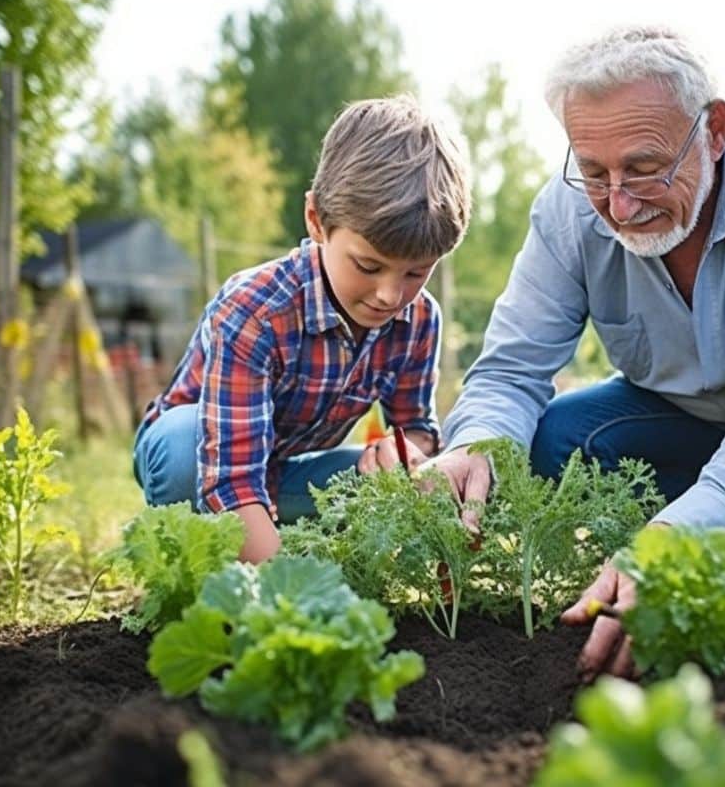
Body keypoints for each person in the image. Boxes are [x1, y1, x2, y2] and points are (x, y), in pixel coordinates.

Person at [429, 26, 725, 678]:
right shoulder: (569, 212)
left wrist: (677, 537)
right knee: (558, 441)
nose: (620, 205)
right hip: (681, 414)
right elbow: (512, 369)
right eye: (595, 172)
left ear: (714, 129)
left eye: (644, 167)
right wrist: (477, 443)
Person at [133, 96, 471, 563]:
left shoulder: (418, 320)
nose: (390, 296)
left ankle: (292, 552)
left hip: (286, 469)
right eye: (368, 266)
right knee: (181, 448)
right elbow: (230, 477)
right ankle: (213, 562)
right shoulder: (256, 311)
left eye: (416, 273)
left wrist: (402, 456)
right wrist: (286, 600)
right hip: (202, 462)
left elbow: (415, 429)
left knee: (390, 482)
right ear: (317, 221)